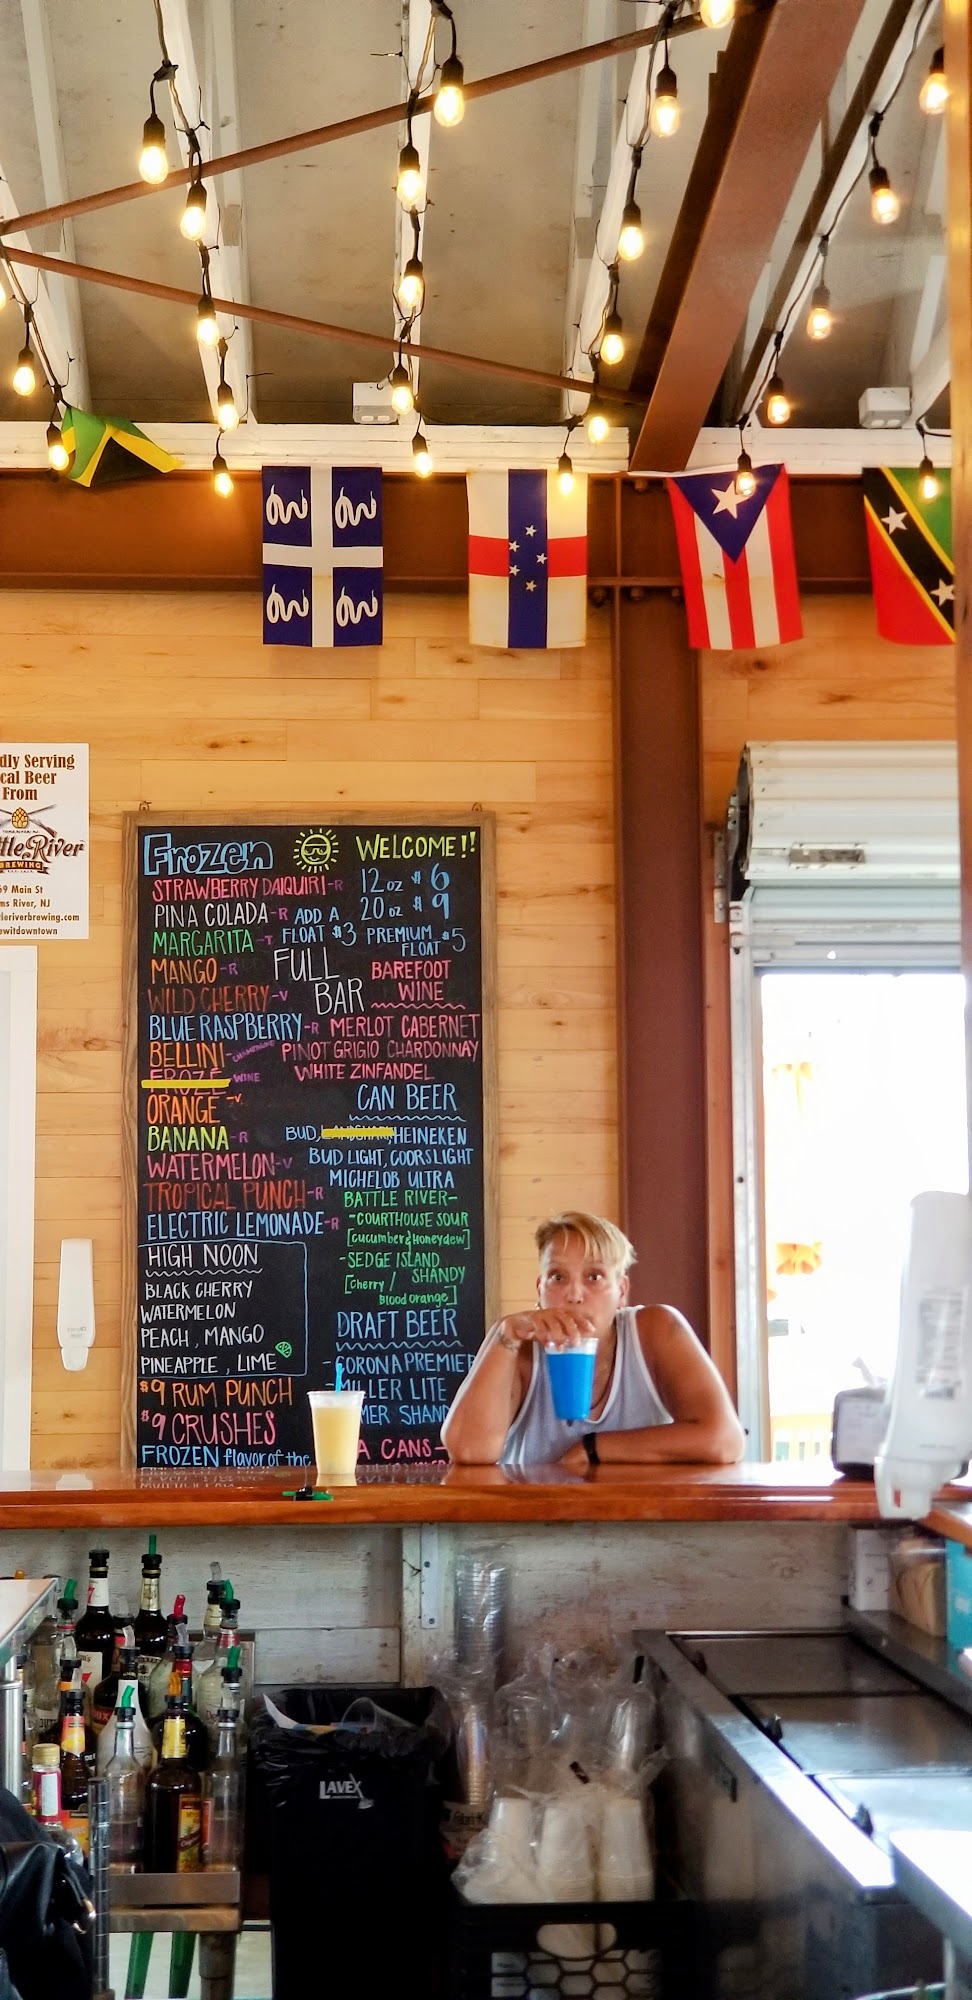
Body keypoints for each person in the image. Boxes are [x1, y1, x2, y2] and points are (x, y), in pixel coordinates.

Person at [442, 1210, 746, 1469]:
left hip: (641, 1523)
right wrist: (505, 1337)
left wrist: (593, 1448)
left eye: (594, 1276)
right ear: (540, 1289)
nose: (574, 1295)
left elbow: (725, 1442)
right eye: (558, 1277)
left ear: (622, 1291)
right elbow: (469, 1450)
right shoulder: (515, 1342)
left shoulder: (656, 1330)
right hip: (535, 1527)